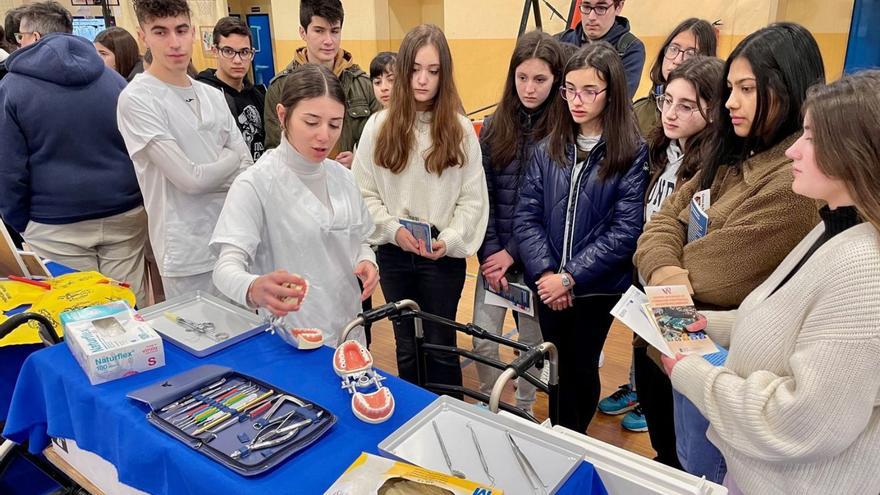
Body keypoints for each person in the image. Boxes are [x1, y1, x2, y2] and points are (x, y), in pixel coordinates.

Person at [663, 69, 880, 495]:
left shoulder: (864, 268)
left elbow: (800, 422)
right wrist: (712, 325)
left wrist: (690, 372)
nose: (793, 152)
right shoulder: (834, 226)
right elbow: (792, 327)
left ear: (855, 152)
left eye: (812, 138)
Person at [635, 23, 825, 483]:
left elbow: (711, 273)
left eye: (746, 89)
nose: (730, 103)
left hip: (731, 365)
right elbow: (662, 220)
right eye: (729, 89)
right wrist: (664, 268)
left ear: (788, 89)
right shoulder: (737, 154)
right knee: (684, 457)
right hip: (686, 337)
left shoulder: (794, 182)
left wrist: (674, 269)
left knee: (707, 470)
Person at [514, 42, 648, 433]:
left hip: (596, 288)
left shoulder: (631, 152)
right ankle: (558, 429)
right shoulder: (547, 147)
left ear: (611, 94)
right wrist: (545, 274)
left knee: (582, 365)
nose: (577, 100)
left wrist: (569, 277)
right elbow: (527, 216)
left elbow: (625, 231)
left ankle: (575, 437)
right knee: (555, 364)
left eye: (589, 91)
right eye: (570, 89)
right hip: (547, 283)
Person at [352, 24, 488, 394]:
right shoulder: (377, 126)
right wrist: (393, 229)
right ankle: (413, 427)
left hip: (441, 260)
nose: (423, 80)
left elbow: (472, 199)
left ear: (445, 73)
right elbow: (363, 193)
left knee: (442, 348)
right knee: (406, 347)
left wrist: (451, 238)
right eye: (415, 69)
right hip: (394, 255)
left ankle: (447, 424)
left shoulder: (459, 130)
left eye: (433, 70)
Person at [211, 64, 377, 347]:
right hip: (290, 336)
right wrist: (253, 288)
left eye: (335, 124)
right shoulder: (256, 183)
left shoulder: (342, 177)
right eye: (311, 122)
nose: (324, 135)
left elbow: (359, 238)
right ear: (282, 115)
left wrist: (367, 260)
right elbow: (225, 268)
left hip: (348, 329)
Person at [0, 1, 148, 305]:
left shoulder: (12, 87)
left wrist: (21, 223)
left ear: (35, 37)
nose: (19, 44)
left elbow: (8, 168)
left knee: (78, 317)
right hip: (125, 212)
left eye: (21, 37)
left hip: (55, 222)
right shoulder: (114, 81)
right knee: (130, 307)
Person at [623, 56, 724, 463]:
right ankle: (664, 458)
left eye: (687, 106)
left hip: (683, 298)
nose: (671, 112)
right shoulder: (659, 150)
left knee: (676, 398)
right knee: (650, 391)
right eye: (668, 100)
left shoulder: (714, 166)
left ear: (713, 109)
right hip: (647, 289)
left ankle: (674, 466)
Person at [117, 0, 253, 299]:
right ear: (143, 36)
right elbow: (190, 180)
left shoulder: (212, 95)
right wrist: (228, 158)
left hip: (232, 242)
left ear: (193, 32)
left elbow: (247, 169)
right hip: (186, 252)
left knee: (247, 335)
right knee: (201, 341)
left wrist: (215, 172)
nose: (175, 43)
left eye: (180, 30)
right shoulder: (138, 99)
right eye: (161, 32)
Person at [471, 31, 567, 415]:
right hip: (494, 259)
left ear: (556, 80)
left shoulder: (564, 131)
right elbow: (484, 194)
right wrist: (491, 252)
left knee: (531, 348)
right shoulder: (495, 125)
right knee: (481, 338)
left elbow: (551, 207)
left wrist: (512, 253)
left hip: (533, 263)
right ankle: (486, 403)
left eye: (540, 79)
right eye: (522, 77)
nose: (529, 87)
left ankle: (525, 410)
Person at [263, 0, 380, 167]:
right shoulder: (280, 87)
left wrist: (359, 161)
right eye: (319, 31)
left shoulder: (363, 84)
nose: (329, 40)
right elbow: (274, 149)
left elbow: (380, 145)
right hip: (298, 185)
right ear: (303, 32)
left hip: (349, 182)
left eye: (334, 31)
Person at [197, 17, 266, 161]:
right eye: (228, 51)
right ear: (215, 51)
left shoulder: (258, 94)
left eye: (244, 52)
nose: (237, 60)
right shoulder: (204, 94)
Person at [632, 18, 716, 136]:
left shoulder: (710, 116)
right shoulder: (638, 111)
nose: (677, 60)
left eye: (690, 54)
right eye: (673, 49)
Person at [557, 0, 645, 99]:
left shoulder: (629, 49)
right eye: (586, 7)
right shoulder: (559, 42)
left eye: (601, 8)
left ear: (619, 7)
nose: (591, 17)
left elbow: (618, 103)